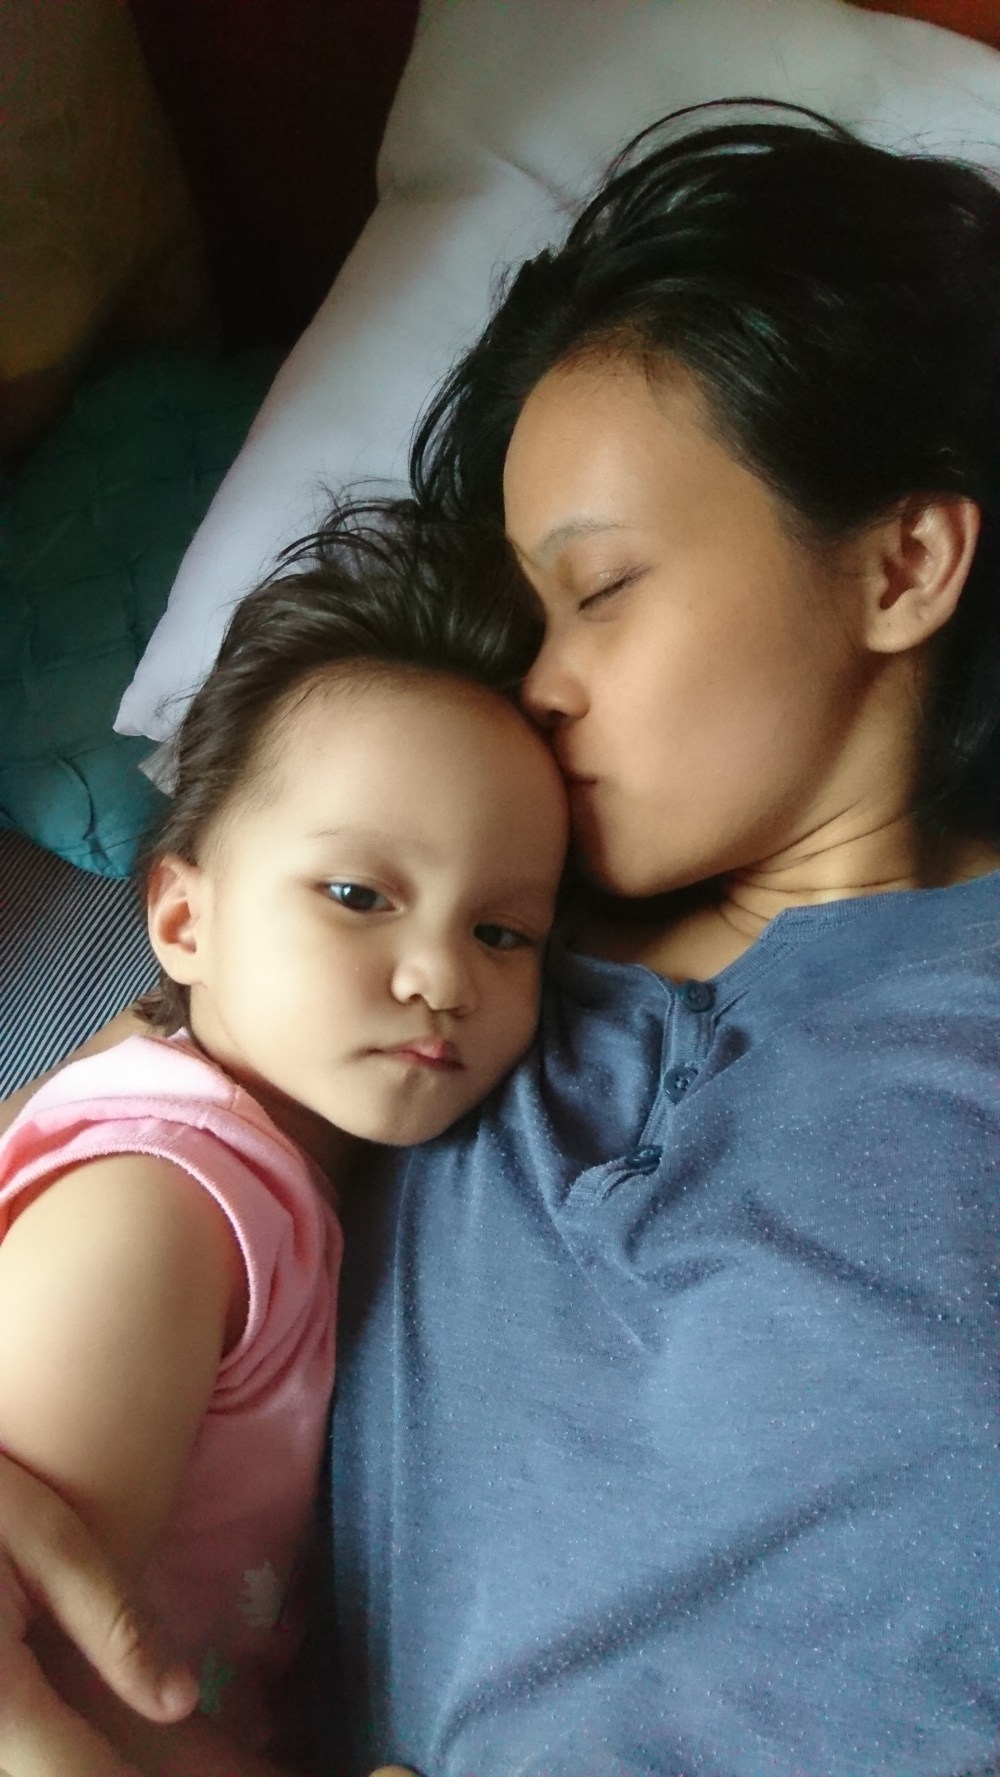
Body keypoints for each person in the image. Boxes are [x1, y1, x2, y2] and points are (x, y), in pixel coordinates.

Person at [1, 99, 999, 1776]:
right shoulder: (436, 977)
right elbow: (136, 1135)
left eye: (598, 592)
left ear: (901, 563)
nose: (535, 685)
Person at [0, 510, 567, 1777]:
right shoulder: (159, 1205)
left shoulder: (274, 1175)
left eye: (504, 931)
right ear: (184, 919)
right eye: (357, 895)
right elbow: (44, 1677)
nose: (440, 975)